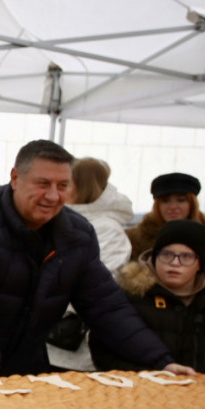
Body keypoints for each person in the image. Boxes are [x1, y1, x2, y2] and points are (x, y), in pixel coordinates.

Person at [0, 140, 195, 383]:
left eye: (62, 185)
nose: (53, 196)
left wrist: (161, 360)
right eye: (43, 184)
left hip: (18, 367)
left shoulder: (77, 236)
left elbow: (106, 307)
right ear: (15, 178)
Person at [91, 220, 205, 374]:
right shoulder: (130, 297)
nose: (175, 263)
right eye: (166, 254)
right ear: (154, 256)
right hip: (139, 386)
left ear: (200, 263)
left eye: (186, 256)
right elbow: (103, 351)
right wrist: (151, 376)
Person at [46, 157, 133, 371]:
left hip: (76, 346)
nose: (56, 193)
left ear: (81, 187)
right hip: (43, 340)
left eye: (65, 185)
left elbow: (94, 287)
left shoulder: (108, 230)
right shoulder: (57, 222)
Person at [126, 172, 205, 262]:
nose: (173, 207)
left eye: (181, 200)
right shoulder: (132, 240)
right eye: (165, 201)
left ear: (192, 204)